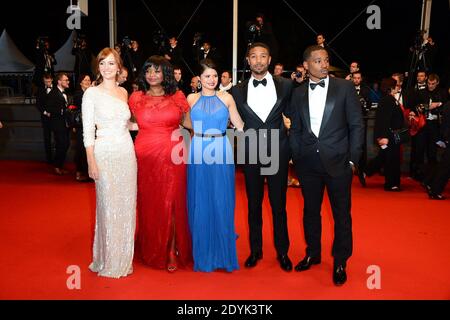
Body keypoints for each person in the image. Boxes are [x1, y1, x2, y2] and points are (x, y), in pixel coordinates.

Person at [286, 45, 364, 286]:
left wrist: (352, 160)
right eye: (318, 61)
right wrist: (297, 156)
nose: (323, 64)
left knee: (341, 215)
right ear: (306, 65)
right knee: (311, 212)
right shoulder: (297, 93)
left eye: (326, 60)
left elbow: (356, 125)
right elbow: (296, 129)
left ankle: (341, 260)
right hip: (308, 164)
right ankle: (313, 253)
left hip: (339, 163)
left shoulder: (345, 88)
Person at [231, 42, 293, 272]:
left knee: (279, 205)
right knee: (254, 205)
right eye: (253, 56)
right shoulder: (237, 91)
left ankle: (283, 251)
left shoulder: (286, 86)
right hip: (251, 152)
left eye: (263, 56)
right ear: (248, 61)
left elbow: (297, 116)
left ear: (269, 60)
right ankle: (255, 251)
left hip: (278, 150)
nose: (258, 60)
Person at [128, 55, 193, 272]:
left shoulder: (177, 96)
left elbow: (189, 125)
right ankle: (153, 244)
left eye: (157, 70)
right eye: (148, 71)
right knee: (150, 202)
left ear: (165, 73)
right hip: (145, 155)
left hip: (175, 154)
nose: (152, 75)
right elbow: (128, 124)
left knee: (172, 202)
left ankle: (171, 248)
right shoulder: (135, 97)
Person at [82, 48, 137, 278]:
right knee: (107, 207)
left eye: (111, 63)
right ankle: (107, 258)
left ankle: (123, 256)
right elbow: (87, 132)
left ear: (119, 68)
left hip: (126, 152)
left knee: (126, 205)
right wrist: (91, 162)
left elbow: (128, 125)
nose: (106, 67)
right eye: (102, 63)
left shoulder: (124, 93)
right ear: (98, 67)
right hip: (104, 153)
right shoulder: (91, 94)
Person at [187, 59, 244, 272]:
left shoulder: (227, 98)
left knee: (221, 199)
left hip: (221, 149)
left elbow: (239, 124)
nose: (212, 80)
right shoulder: (191, 98)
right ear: (199, 79)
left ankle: (222, 249)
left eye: (214, 76)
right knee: (200, 199)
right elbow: (184, 122)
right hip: (198, 149)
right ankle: (202, 250)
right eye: (207, 76)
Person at [366, 77, 406, 191]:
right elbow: (383, 120)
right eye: (396, 86)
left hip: (392, 135)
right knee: (391, 160)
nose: (397, 87)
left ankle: (391, 182)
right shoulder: (387, 100)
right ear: (391, 88)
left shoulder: (390, 99)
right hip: (389, 135)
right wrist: (382, 137)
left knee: (389, 158)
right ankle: (391, 184)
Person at [45, 72, 71, 175]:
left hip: (64, 124)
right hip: (57, 124)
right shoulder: (53, 93)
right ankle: (57, 166)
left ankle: (59, 165)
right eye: (66, 80)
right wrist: (62, 111)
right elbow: (48, 108)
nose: (68, 81)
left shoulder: (63, 93)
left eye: (67, 80)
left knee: (65, 144)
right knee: (62, 145)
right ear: (59, 82)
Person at [72, 74, 92, 182]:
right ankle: (79, 171)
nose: (88, 82)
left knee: (87, 149)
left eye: (89, 80)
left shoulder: (90, 93)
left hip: (89, 124)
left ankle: (86, 171)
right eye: (85, 80)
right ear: (80, 82)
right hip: (80, 125)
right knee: (80, 148)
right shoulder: (79, 94)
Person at [35, 73, 54, 164]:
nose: (48, 83)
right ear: (43, 81)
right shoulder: (40, 90)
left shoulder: (56, 89)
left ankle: (57, 158)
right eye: (46, 82)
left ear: (52, 80)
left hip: (56, 117)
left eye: (49, 81)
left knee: (58, 138)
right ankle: (49, 158)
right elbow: (38, 104)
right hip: (45, 118)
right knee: (47, 138)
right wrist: (45, 112)